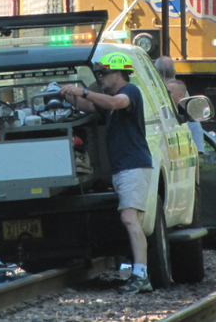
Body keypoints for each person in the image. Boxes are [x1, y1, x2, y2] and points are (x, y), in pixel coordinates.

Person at [60, 53, 154, 294]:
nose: (100, 78)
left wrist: (82, 91)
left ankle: (141, 274)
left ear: (118, 73)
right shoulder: (109, 101)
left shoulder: (130, 91)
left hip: (134, 165)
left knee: (129, 218)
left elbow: (113, 103)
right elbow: (90, 106)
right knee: (131, 220)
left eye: (103, 74)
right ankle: (140, 273)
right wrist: (66, 94)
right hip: (124, 167)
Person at [167, 79, 204, 153]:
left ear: (180, 95)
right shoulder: (160, 117)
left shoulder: (192, 122)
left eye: (168, 93)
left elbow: (198, 153)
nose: (165, 95)